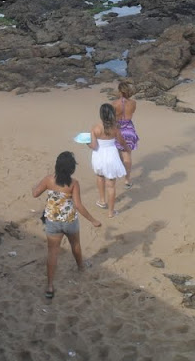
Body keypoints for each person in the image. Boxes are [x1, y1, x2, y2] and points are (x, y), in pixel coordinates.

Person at [31, 151, 102, 299]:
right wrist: (93, 220)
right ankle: (80, 267)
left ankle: (50, 286)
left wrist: (34, 187)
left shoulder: (48, 180)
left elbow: (35, 193)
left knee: (52, 253)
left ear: (57, 166)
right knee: (75, 244)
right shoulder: (73, 183)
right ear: (71, 169)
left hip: (52, 221)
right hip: (69, 221)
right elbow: (78, 205)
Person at [89, 103, 130, 218]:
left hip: (98, 156)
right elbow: (121, 142)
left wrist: (87, 143)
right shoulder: (115, 127)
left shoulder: (95, 128)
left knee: (100, 176)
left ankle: (102, 201)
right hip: (111, 156)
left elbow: (93, 146)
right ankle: (111, 212)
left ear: (101, 114)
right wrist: (127, 149)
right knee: (111, 186)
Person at [111, 81, 139, 187]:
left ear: (119, 91)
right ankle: (127, 179)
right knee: (127, 155)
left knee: (116, 153)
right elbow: (132, 113)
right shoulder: (133, 103)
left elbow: (112, 118)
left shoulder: (114, 103)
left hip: (118, 129)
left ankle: (115, 174)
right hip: (129, 129)